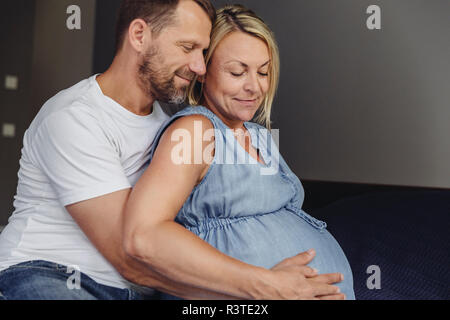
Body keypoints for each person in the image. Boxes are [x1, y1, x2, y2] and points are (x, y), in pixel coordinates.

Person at [0, 0, 344, 300]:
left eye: (203, 52)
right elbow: (131, 256)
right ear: (139, 35)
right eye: (187, 47)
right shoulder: (74, 118)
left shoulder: (165, 121)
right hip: (54, 274)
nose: (199, 65)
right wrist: (267, 286)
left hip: (140, 291)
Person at [123, 4, 355, 300]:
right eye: (237, 71)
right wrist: (267, 285)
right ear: (204, 71)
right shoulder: (196, 131)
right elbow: (145, 233)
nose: (254, 87)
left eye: (263, 72)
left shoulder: (260, 136)